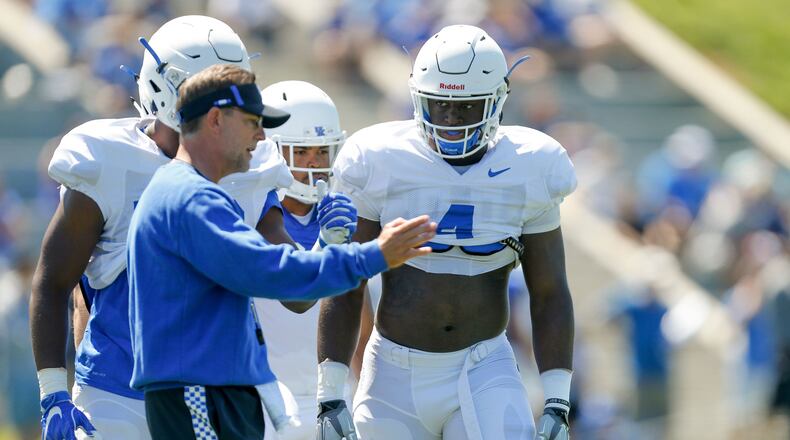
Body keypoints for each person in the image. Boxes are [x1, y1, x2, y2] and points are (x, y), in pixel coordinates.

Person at [128, 63, 436, 439]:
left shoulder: (189, 190)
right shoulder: (189, 197)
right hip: (199, 390)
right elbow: (278, 275)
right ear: (215, 119)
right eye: (252, 122)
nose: (260, 137)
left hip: (212, 388)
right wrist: (375, 254)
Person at [29, 15, 300, 440]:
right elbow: (52, 280)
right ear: (169, 91)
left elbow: (295, 291)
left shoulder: (251, 168)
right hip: (113, 394)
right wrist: (52, 394)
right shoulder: (110, 160)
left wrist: (330, 249)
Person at [316, 24, 577, 440]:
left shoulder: (532, 166)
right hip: (393, 372)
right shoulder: (378, 160)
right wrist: (330, 393)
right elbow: (348, 279)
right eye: (440, 106)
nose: (451, 120)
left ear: (495, 102)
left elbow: (549, 290)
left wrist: (557, 401)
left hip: (484, 366)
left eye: (466, 107)